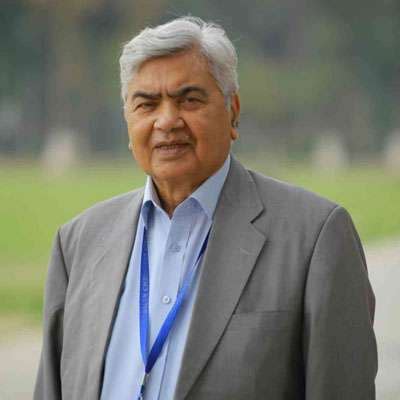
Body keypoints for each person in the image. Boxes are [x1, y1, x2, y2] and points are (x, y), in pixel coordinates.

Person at [34, 16, 377, 400]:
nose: (167, 121)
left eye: (189, 100)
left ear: (233, 111)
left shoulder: (315, 238)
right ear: (128, 121)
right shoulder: (78, 244)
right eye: (147, 104)